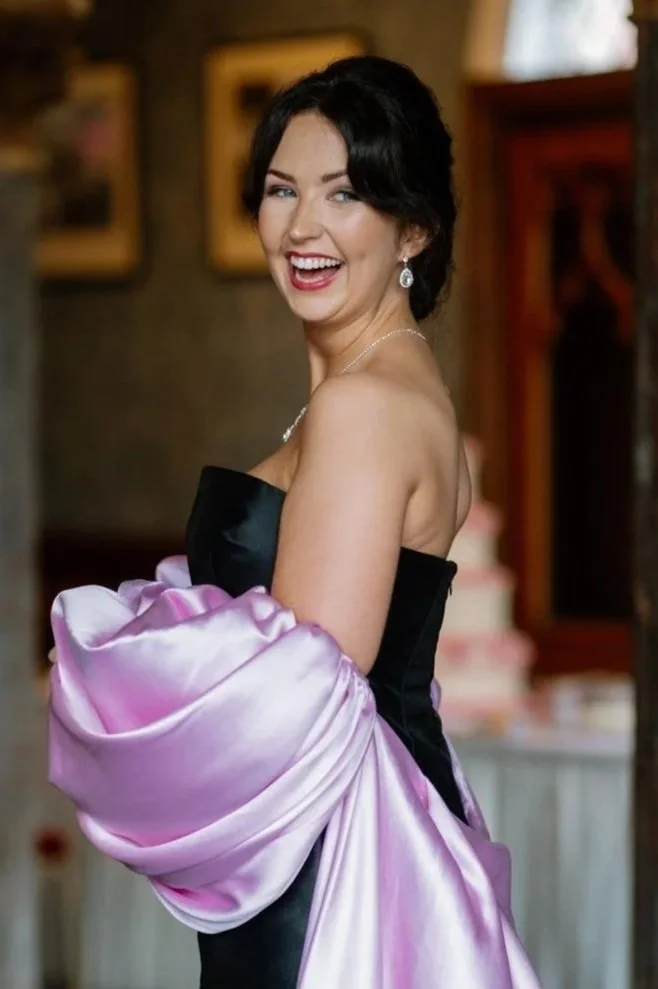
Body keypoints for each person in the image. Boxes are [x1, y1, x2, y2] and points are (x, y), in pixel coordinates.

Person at [49, 56, 541, 989]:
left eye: (345, 194)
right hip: (338, 830)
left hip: (332, 861)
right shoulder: (373, 394)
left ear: (415, 229)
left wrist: (111, 674)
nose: (302, 226)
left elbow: (297, 687)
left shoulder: (366, 409)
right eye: (281, 190)